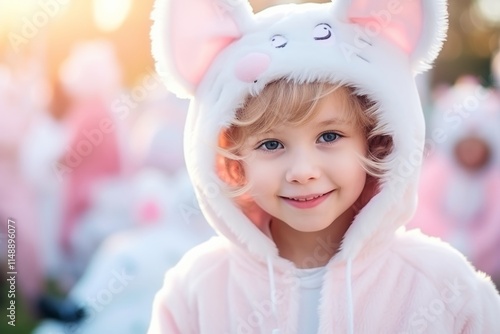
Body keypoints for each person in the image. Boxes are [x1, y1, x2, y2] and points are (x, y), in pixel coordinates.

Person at [148, 0, 500, 333]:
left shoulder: (445, 288)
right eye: (271, 144)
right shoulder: (193, 293)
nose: (303, 171)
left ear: (376, 141)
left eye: (329, 136)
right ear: (233, 162)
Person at [408, 78, 500, 287]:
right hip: (437, 257)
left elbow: (496, 220)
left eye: (477, 147)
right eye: (466, 147)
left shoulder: (493, 178)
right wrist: (448, 237)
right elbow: (421, 207)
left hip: (484, 265)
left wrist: (474, 244)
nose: (472, 153)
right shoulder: (437, 171)